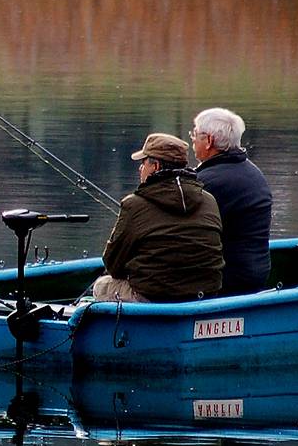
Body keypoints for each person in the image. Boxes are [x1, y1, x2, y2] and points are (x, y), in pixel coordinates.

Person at [88, 132, 224, 303]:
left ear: (156, 166)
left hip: (153, 297)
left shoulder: (134, 204)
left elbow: (112, 264)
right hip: (206, 294)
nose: (140, 168)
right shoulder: (209, 200)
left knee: (102, 285)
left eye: (143, 163)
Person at [190, 107, 273, 296]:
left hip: (228, 278)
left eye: (195, 134)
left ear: (209, 140)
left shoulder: (209, 182)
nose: (193, 139)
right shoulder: (252, 172)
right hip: (257, 272)